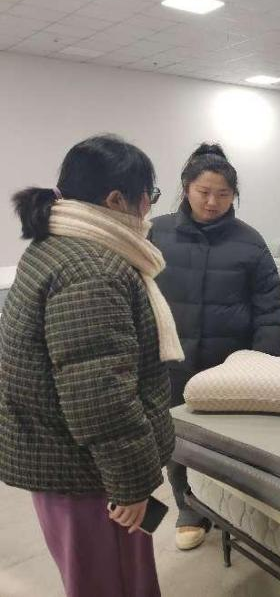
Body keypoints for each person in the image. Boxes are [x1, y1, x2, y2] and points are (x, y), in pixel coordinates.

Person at [0, 134, 178, 597]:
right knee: (109, 581)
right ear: (116, 199)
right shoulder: (92, 270)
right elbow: (100, 396)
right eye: (148, 195)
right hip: (87, 474)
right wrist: (131, 483)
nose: (148, 208)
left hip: (69, 461)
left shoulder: (57, 245)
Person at [150, 143, 280, 551]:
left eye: (223, 194)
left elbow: (270, 308)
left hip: (231, 365)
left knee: (235, 441)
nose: (212, 202)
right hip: (172, 362)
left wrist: (262, 363)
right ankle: (189, 509)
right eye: (204, 192)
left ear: (234, 196)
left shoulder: (249, 241)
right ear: (186, 188)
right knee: (178, 439)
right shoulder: (155, 232)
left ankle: (237, 508)